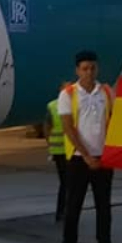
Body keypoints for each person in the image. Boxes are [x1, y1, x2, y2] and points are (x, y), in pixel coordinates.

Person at [57, 51, 122, 243]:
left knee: (104, 207)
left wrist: (108, 154)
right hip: (79, 160)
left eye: (93, 68)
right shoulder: (68, 94)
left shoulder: (106, 92)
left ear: (98, 69)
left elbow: (115, 120)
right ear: (77, 70)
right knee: (73, 206)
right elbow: (68, 128)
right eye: (85, 68)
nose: (89, 72)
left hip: (104, 158)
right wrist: (86, 155)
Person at [45, 82, 73, 222]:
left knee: (66, 182)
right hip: (67, 150)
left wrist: (49, 144)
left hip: (60, 150)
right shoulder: (72, 106)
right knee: (68, 182)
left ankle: (62, 212)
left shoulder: (52, 105)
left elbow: (47, 128)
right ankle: (64, 212)